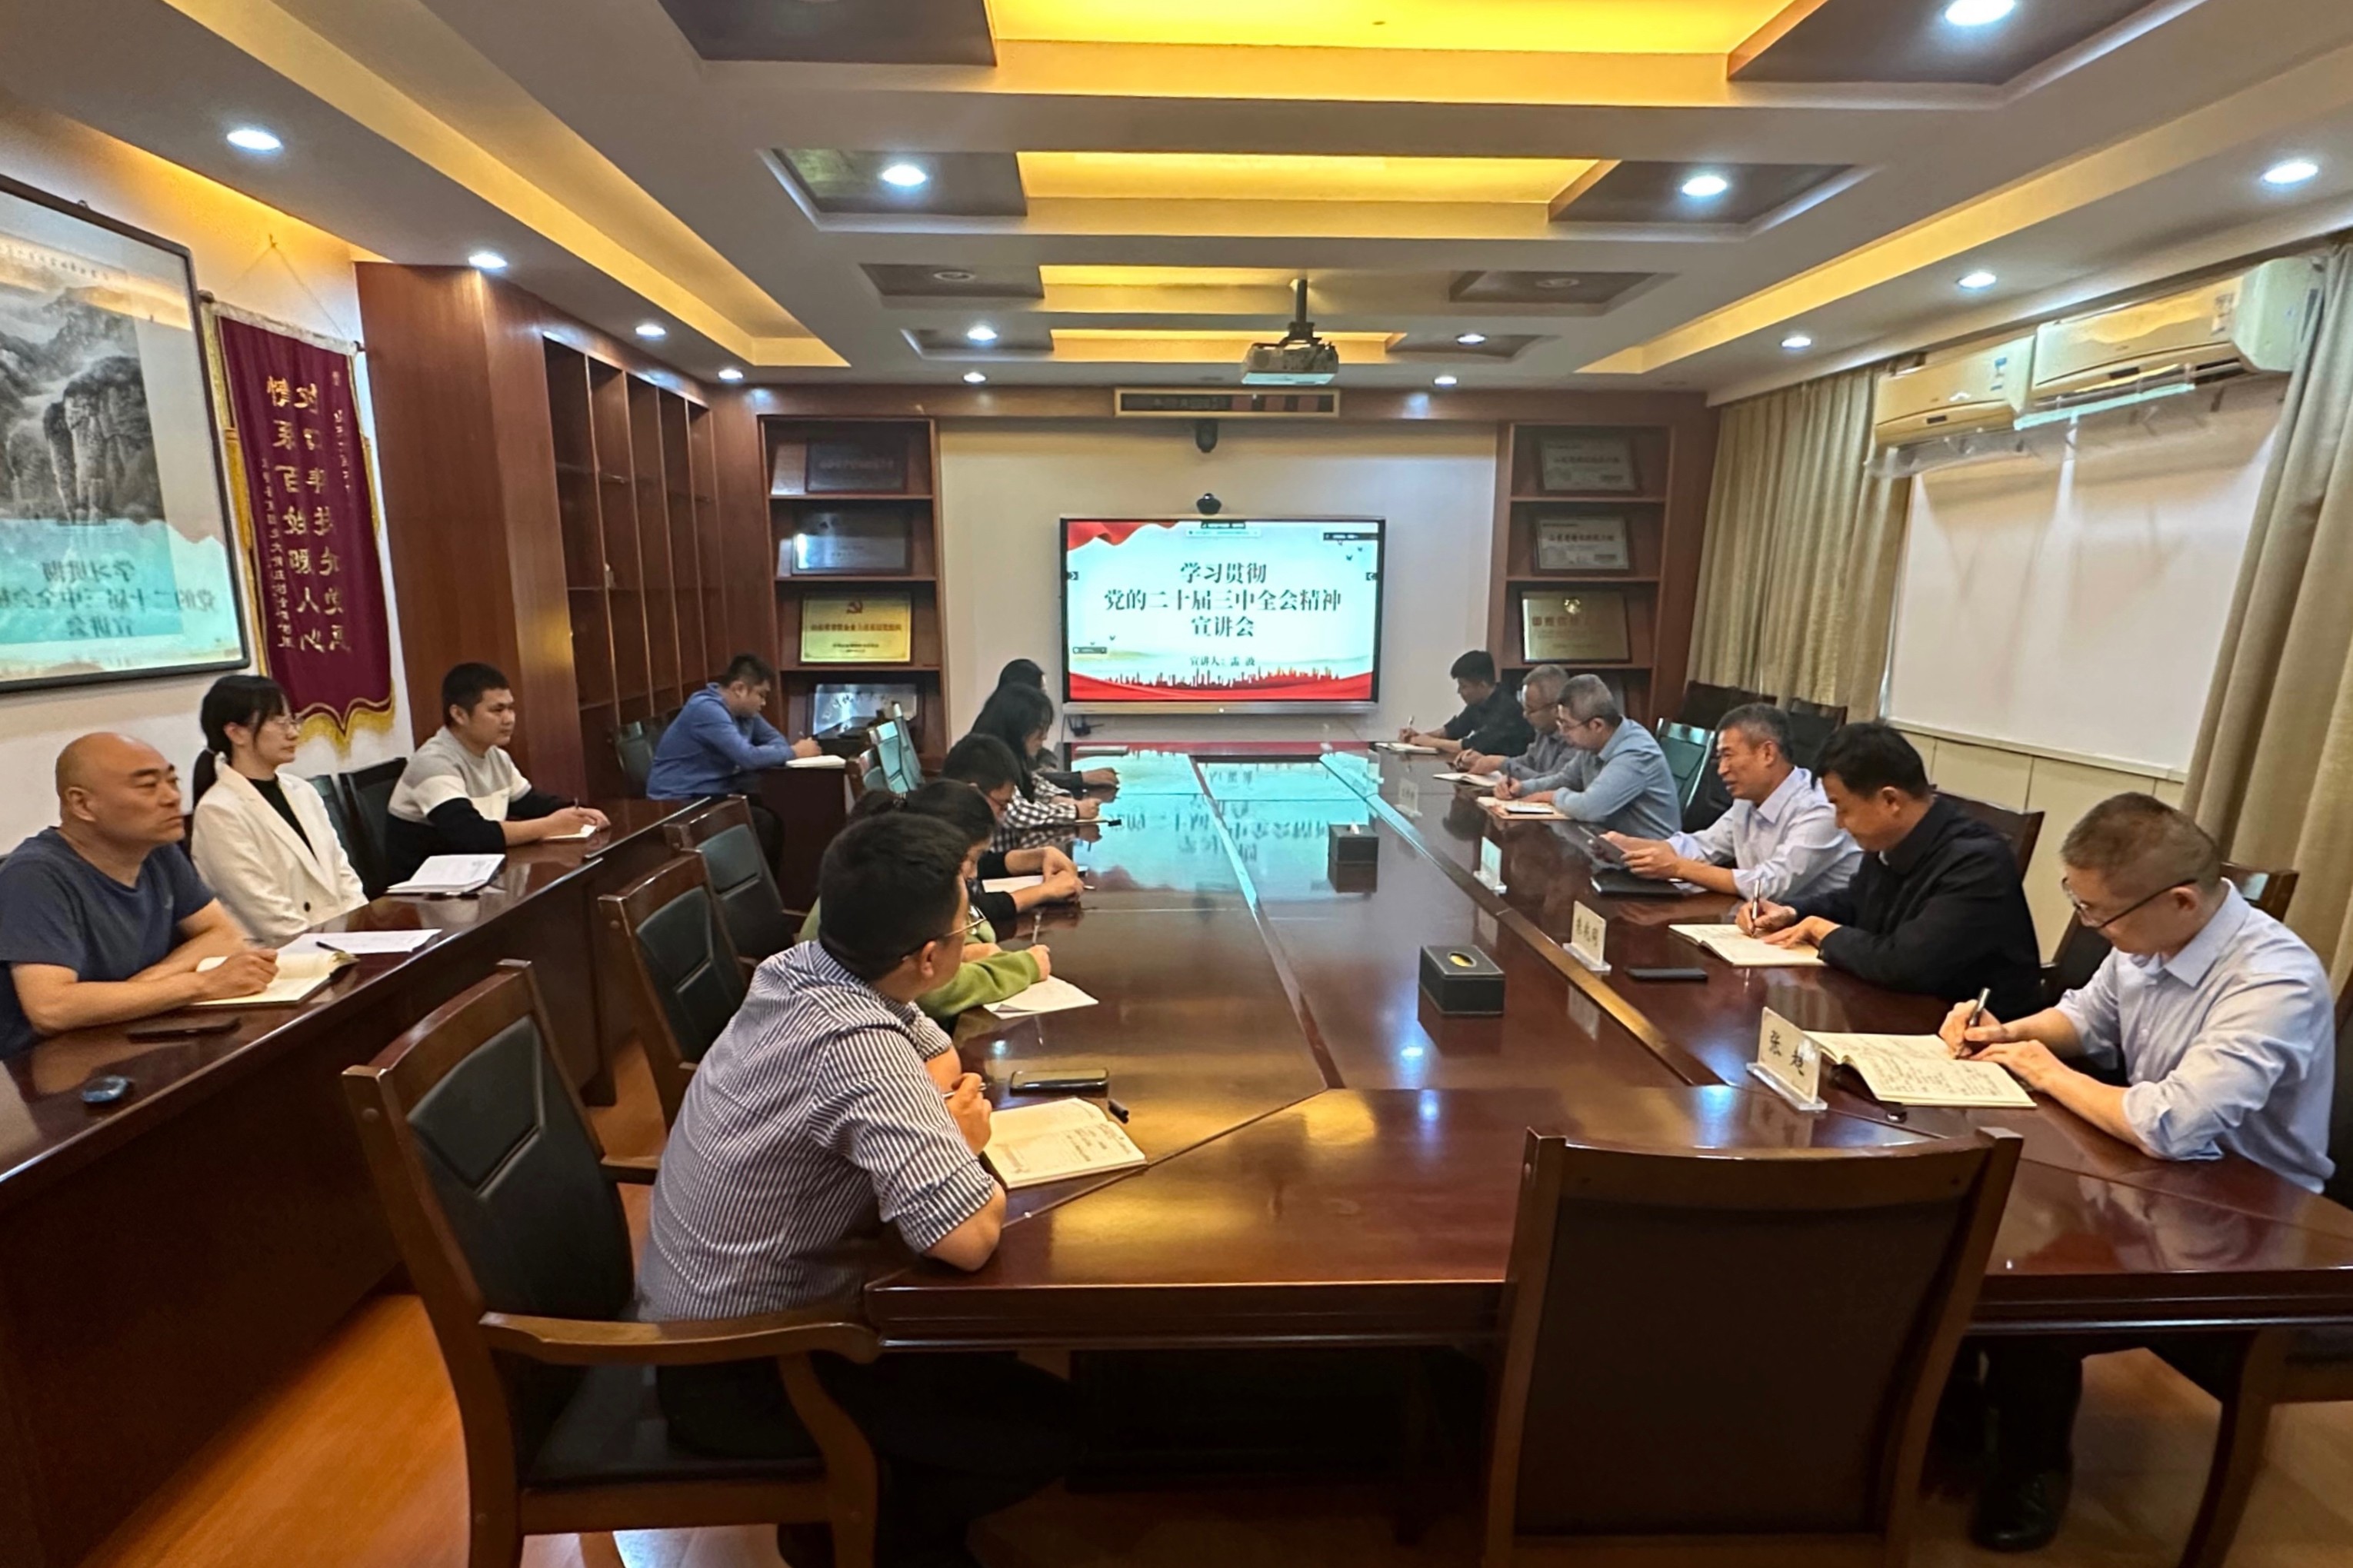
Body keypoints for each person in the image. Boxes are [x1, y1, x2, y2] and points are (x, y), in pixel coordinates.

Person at [638, 811, 1073, 1568]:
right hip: (751, 1362)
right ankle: (866, 1535)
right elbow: (966, 1239)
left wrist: (933, 1116)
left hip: (719, 1315)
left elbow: (938, 1064)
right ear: (932, 956)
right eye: (962, 923)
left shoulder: (807, 966)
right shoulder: (854, 1044)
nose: (970, 933)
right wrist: (961, 1145)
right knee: (1049, 1429)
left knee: (989, 1363)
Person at [1939, 794, 2338, 1553]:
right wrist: (2006, 1032)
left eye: (2098, 912)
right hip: (2158, 1185)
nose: (2091, 926)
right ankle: (1955, 1415)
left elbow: (2172, 1123)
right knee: (1967, 1226)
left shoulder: (2271, 979)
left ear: (2180, 899)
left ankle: (2030, 1466)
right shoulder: (2149, 938)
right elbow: (2086, 1018)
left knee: (2035, 1285)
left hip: (2253, 1221)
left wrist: (2041, 1071)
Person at [0, 734, 278, 1057]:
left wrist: (143, 987)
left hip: (141, 1033)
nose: (172, 797)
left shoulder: (156, 850)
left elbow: (222, 934)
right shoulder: (36, 874)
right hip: (57, 1061)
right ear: (82, 804)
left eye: (172, 781)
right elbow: (51, 1009)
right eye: (148, 786)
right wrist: (203, 984)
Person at [1745, 722, 2041, 1019]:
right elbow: (1856, 901)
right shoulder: (1891, 839)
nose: (1838, 823)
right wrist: (1792, 912)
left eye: (1842, 808)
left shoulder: (1977, 862)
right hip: (1896, 1006)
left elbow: (1906, 964)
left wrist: (1822, 931)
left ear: (1890, 800)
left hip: (1974, 1029)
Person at [798, 785, 1054, 1020]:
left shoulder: (898, 871)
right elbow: (933, 995)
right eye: (972, 860)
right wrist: (1025, 968)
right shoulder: (893, 889)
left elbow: (975, 927)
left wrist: (968, 950)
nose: (974, 873)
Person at [1603, 703, 1859, 904]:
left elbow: (1770, 886)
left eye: (1728, 756)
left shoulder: (1820, 807)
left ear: (1767, 753)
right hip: (1765, 921)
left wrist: (1679, 868)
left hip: (1819, 934)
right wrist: (1629, 847)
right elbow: (1703, 846)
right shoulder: (1747, 800)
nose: (1722, 769)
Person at [385, 663, 608, 884]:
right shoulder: (433, 762)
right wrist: (551, 825)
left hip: (478, 878)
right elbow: (471, 835)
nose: (509, 719)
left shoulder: (496, 756)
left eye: (511, 708)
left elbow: (531, 803)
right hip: (427, 891)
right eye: (497, 710)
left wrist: (579, 813)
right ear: (459, 714)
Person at [188, 674, 368, 944]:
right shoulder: (218, 811)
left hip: (339, 938)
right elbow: (267, 912)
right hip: (278, 953)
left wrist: (363, 926)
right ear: (236, 733)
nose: (293, 733)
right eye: (278, 722)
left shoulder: (302, 791)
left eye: (293, 720)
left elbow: (342, 872)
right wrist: (336, 946)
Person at [646, 653, 818, 865]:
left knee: (774, 815)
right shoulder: (706, 709)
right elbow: (748, 758)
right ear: (739, 689)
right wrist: (795, 752)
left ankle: (760, 883)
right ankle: (748, 885)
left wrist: (777, 751)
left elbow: (776, 740)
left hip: (712, 793)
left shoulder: (745, 713)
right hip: (682, 800)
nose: (764, 702)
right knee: (762, 823)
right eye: (761, 695)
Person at [1496, 673, 1681, 839]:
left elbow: (1591, 808)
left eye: (1567, 726)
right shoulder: (1592, 744)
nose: (1562, 733)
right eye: (1560, 723)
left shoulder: (1636, 753)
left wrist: (1553, 797)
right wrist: (1521, 788)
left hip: (1650, 856)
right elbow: (1564, 779)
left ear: (1597, 725)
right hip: (1608, 844)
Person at [938, 734, 1085, 927]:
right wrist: (1044, 891)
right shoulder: (931, 841)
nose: (1002, 816)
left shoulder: (949, 825)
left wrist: (1039, 856)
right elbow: (964, 911)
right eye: (1002, 805)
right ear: (974, 793)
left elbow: (981, 865)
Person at [964, 684, 1098, 848]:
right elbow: (1017, 814)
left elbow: (1033, 781)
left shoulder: (1010, 753)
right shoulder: (985, 757)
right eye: (1040, 729)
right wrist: (1074, 812)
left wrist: (1059, 798)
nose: (1044, 737)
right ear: (1017, 727)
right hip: (992, 859)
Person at [992, 658, 1116, 791]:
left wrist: (1051, 772)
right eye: (1041, 692)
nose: (1044, 699)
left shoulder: (1014, 727)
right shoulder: (993, 742)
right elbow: (1027, 780)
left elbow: (1045, 755)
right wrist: (1080, 778)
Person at [1399, 650, 1531, 761]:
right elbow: (1453, 730)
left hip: (1508, 774)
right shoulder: (1477, 703)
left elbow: (1473, 745)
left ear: (1482, 685)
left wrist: (1430, 742)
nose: (1459, 691)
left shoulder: (1507, 708)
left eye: (1464, 686)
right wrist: (1418, 737)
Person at [1455, 664, 1572, 782]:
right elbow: (1528, 762)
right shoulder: (1544, 731)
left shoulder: (1573, 738)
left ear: (1556, 709)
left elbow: (1553, 781)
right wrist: (1487, 761)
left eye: (1531, 710)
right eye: (1525, 708)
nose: (1525, 715)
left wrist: (1501, 764)